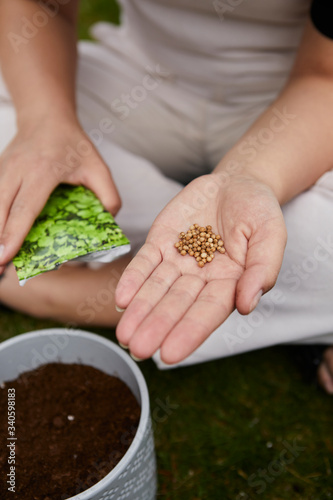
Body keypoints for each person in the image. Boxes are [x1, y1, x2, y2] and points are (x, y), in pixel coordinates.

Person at [0, 0, 333, 392]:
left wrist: (249, 177)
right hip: (140, 81)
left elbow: (324, 76)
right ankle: (290, 305)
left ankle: (59, 290)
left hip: (294, 114)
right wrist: (45, 124)